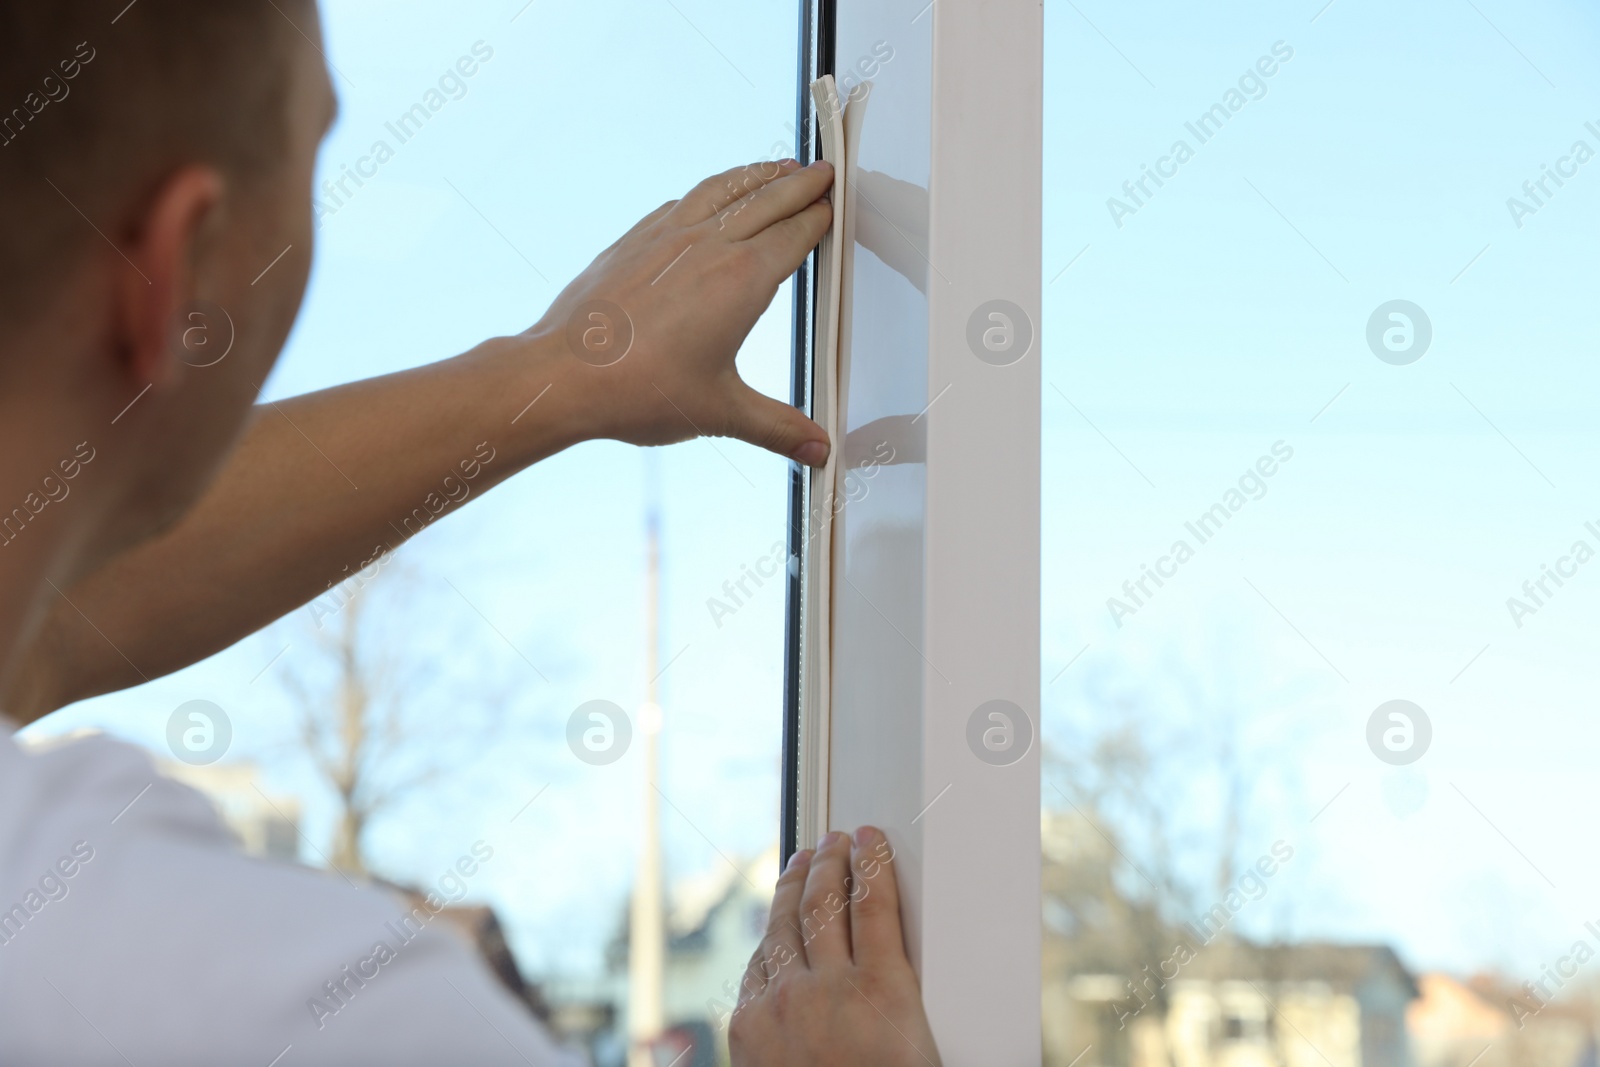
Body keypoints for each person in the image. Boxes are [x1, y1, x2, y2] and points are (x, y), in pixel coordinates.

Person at [0, 2, 943, 1065]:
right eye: (314, 156)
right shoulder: (304, 1010)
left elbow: (61, 610)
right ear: (179, 269)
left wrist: (558, 371)